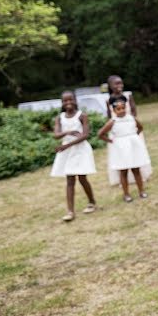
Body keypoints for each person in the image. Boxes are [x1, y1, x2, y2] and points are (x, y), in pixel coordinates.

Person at [50, 91, 97, 222]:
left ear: (75, 100)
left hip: (80, 149)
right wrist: (69, 132)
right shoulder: (60, 118)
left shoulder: (82, 115)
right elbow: (56, 134)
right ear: (62, 103)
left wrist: (67, 145)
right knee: (70, 180)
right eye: (65, 101)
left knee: (82, 178)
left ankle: (92, 202)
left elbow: (85, 135)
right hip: (67, 151)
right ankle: (70, 211)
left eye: (70, 100)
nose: (68, 103)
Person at [98, 95, 151, 202]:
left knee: (136, 169)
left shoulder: (131, 118)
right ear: (113, 110)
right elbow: (101, 134)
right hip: (120, 148)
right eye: (118, 109)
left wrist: (134, 136)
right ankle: (126, 194)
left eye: (123, 108)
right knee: (123, 171)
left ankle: (141, 191)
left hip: (133, 147)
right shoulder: (113, 121)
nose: (122, 111)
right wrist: (111, 141)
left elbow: (140, 127)